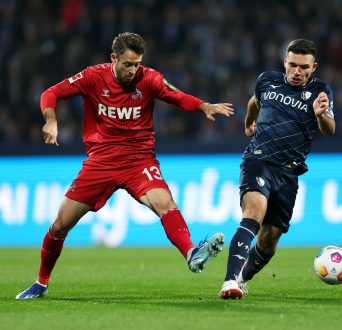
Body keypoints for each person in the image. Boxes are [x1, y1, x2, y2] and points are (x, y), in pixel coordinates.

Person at [16, 32, 234, 299]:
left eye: (137, 64)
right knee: (60, 225)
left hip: (138, 159)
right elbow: (51, 93)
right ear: (113, 59)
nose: (133, 70)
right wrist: (50, 119)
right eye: (128, 64)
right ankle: (41, 283)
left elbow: (177, 96)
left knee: (165, 204)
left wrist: (203, 106)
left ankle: (191, 253)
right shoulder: (93, 77)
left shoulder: (150, 78)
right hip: (101, 161)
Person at [218, 39, 335, 300]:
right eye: (292, 64)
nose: (296, 71)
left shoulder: (320, 92)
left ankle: (242, 277)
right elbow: (253, 102)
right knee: (253, 214)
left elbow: (330, 129)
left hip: (289, 173)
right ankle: (228, 282)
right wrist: (249, 124)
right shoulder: (267, 80)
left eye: (303, 67)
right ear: (284, 62)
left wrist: (320, 115)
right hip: (258, 160)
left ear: (313, 67)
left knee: (268, 243)